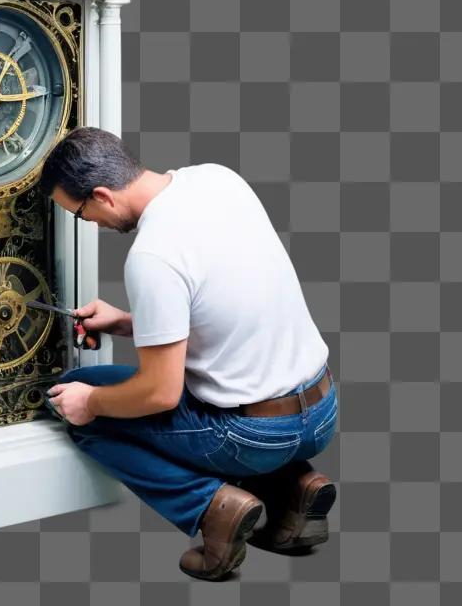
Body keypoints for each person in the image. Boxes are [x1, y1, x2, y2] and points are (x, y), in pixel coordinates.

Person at [40, 127, 339, 582]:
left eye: (81, 214)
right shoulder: (217, 179)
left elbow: (160, 393)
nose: (91, 224)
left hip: (255, 435)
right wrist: (126, 320)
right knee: (114, 395)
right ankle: (294, 489)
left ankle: (213, 509)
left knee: (78, 402)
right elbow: (227, 303)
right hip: (322, 413)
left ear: (102, 195)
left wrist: (89, 404)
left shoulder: (152, 255)